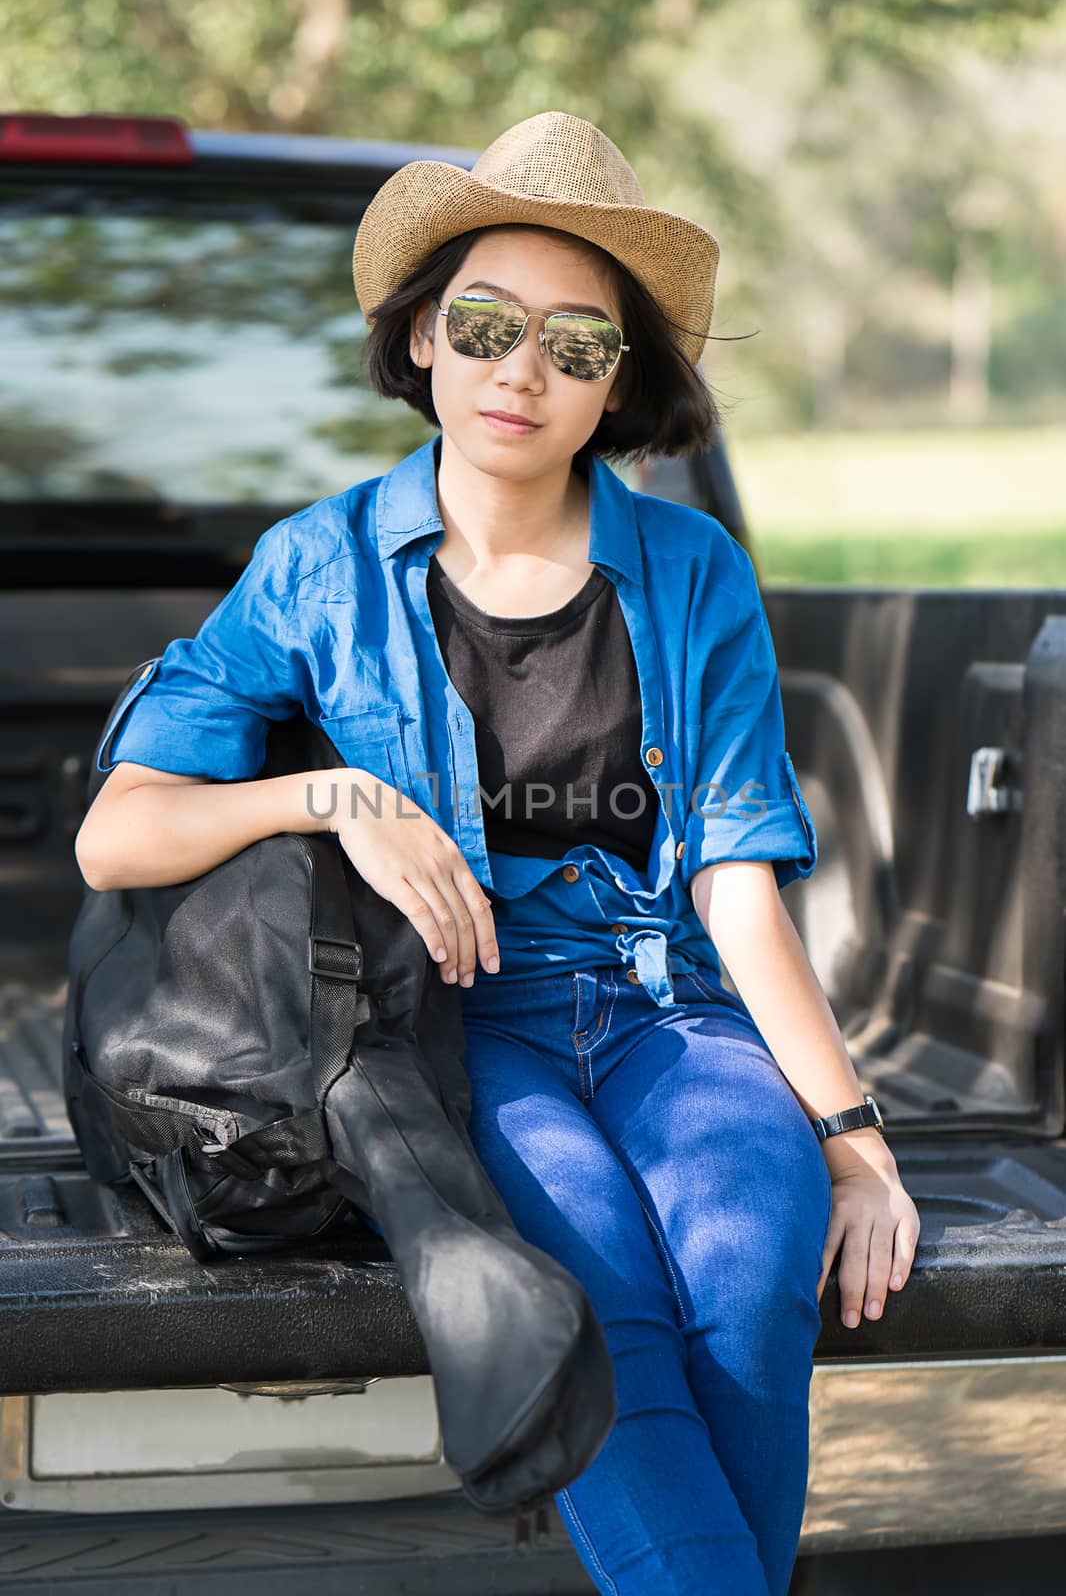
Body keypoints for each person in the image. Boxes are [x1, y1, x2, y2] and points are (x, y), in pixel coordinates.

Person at [75, 111, 921, 1596]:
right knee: (593, 1293)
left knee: (744, 1264)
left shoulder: (692, 569)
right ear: (416, 342)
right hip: (460, 1029)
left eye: (576, 345)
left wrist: (851, 1141)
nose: (521, 369)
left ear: (621, 385)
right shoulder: (317, 566)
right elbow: (118, 834)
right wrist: (328, 797)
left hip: (670, 1008)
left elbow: (734, 878)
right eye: (483, 325)